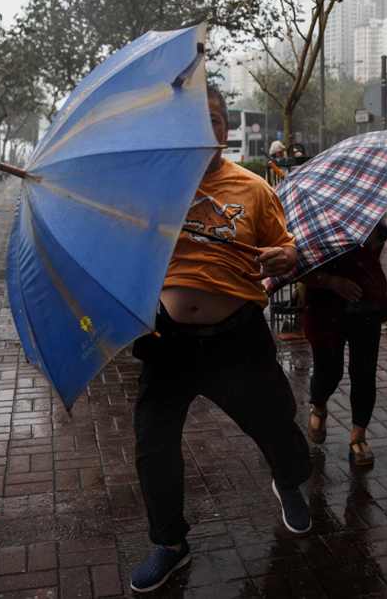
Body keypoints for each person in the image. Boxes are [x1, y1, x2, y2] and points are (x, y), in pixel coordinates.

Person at [128, 85, 310, 593]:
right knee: (153, 444)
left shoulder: (253, 189)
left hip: (237, 338)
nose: (210, 128)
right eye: (198, 119)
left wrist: (286, 258)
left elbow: (285, 249)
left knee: (274, 420)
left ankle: (289, 480)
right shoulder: (153, 190)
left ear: (225, 130)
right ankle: (169, 542)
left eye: (216, 119)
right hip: (169, 344)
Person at [302, 220, 387, 467]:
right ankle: (318, 405)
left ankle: (358, 436)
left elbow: (371, 259)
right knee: (329, 370)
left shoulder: (368, 211)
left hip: (367, 307)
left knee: (364, 372)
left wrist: (375, 239)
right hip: (325, 310)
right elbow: (296, 267)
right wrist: (331, 282)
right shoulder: (313, 221)